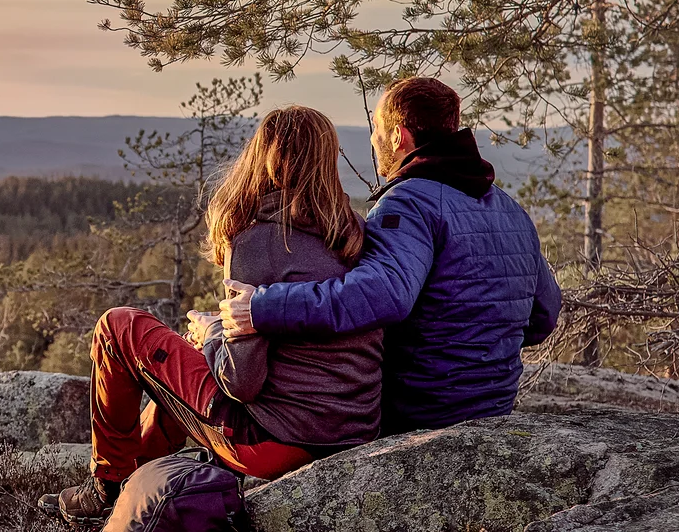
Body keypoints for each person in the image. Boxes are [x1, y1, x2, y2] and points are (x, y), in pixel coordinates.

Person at [40, 106, 384, 525]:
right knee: (188, 357)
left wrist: (215, 330)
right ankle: (130, 480)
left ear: (262, 157)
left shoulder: (259, 240)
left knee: (119, 326)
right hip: (352, 431)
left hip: (273, 443)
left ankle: (107, 486)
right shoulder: (352, 233)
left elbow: (241, 383)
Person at [219, 77, 561, 438]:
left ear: (398, 136)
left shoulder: (408, 203)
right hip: (495, 408)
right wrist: (483, 347)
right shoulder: (509, 208)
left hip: (422, 414)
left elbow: (383, 294)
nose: (372, 139)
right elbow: (544, 314)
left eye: (377, 128)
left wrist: (263, 308)